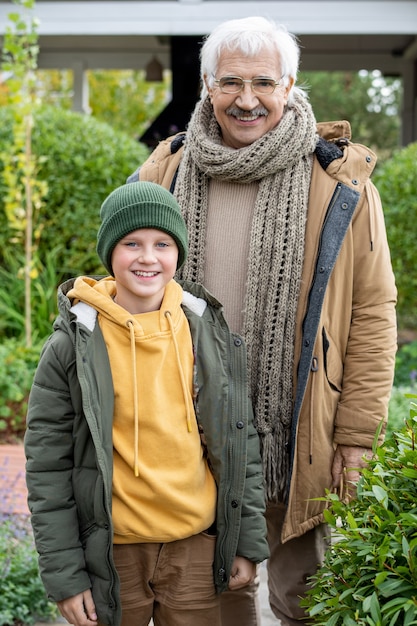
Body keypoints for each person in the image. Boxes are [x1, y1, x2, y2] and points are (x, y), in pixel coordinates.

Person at [127, 16, 398, 626]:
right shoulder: (164, 171)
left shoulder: (339, 180)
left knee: (303, 598)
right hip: (188, 431)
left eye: (262, 83)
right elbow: (124, 291)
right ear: (205, 84)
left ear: (289, 83)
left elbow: (373, 313)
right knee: (215, 595)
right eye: (230, 82)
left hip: (298, 429)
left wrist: (355, 439)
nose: (246, 99)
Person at [24, 181, 269, 626]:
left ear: (178, 252)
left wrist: (247, 542)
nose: (147, 257)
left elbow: (241, 441)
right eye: (131, 243)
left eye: (162, 243)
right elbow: (48, 467)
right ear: (109, 252)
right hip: (112, 554)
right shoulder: (72, 344)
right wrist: (66, 576)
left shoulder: (206, 333)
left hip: (197, 545)